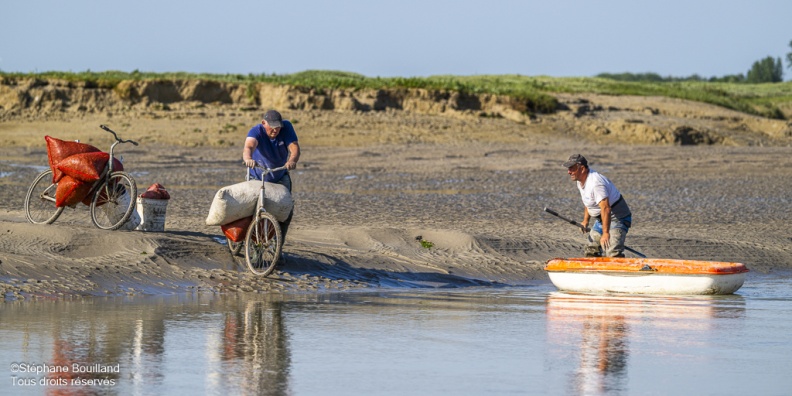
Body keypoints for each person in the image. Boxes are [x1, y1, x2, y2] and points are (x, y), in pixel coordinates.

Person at [242, 110, 300, 244]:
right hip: (257, 176)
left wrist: (292, 160)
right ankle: (252, 243)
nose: (275, 130)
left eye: (278, 126)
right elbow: (249, 147)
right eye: (272, 126)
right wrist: (248, 158)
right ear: (263, 123)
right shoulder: (256, 131)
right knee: (251, 209)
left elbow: (294, 148)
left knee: (286, 211)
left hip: (279, 175)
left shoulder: (286, 128)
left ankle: (278, 247)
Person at [564, 154, 632, 257]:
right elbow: (588, 202)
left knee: (611, 250)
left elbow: (606, 208)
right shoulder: (580, 180)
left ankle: (618, 268)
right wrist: (585, 221)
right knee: (591, 248)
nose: (569, 172)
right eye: (569, 169)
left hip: (618, 218)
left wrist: (605, 233)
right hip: (602, 219)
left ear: (582, 168)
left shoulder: (596, 184)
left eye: (572, 169)